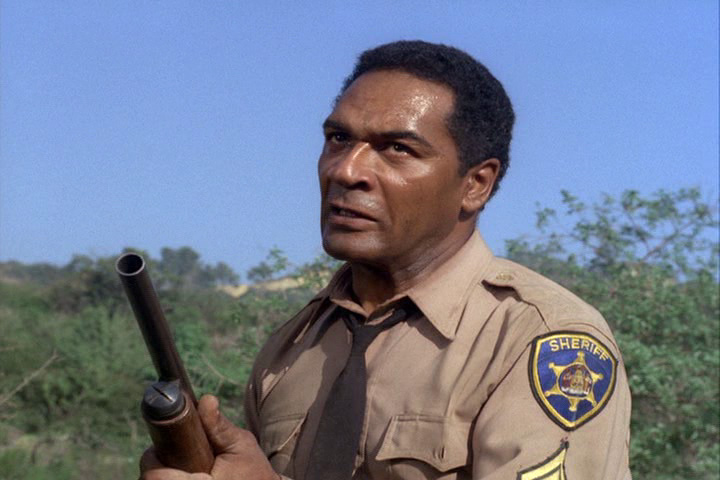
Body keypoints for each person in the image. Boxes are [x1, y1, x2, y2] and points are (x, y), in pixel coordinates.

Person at [141, 40, 632, 480]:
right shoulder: (292, 348)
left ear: (476, 184)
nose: (346, 170)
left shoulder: (540, 341)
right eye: (338, 139)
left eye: (397, 148)